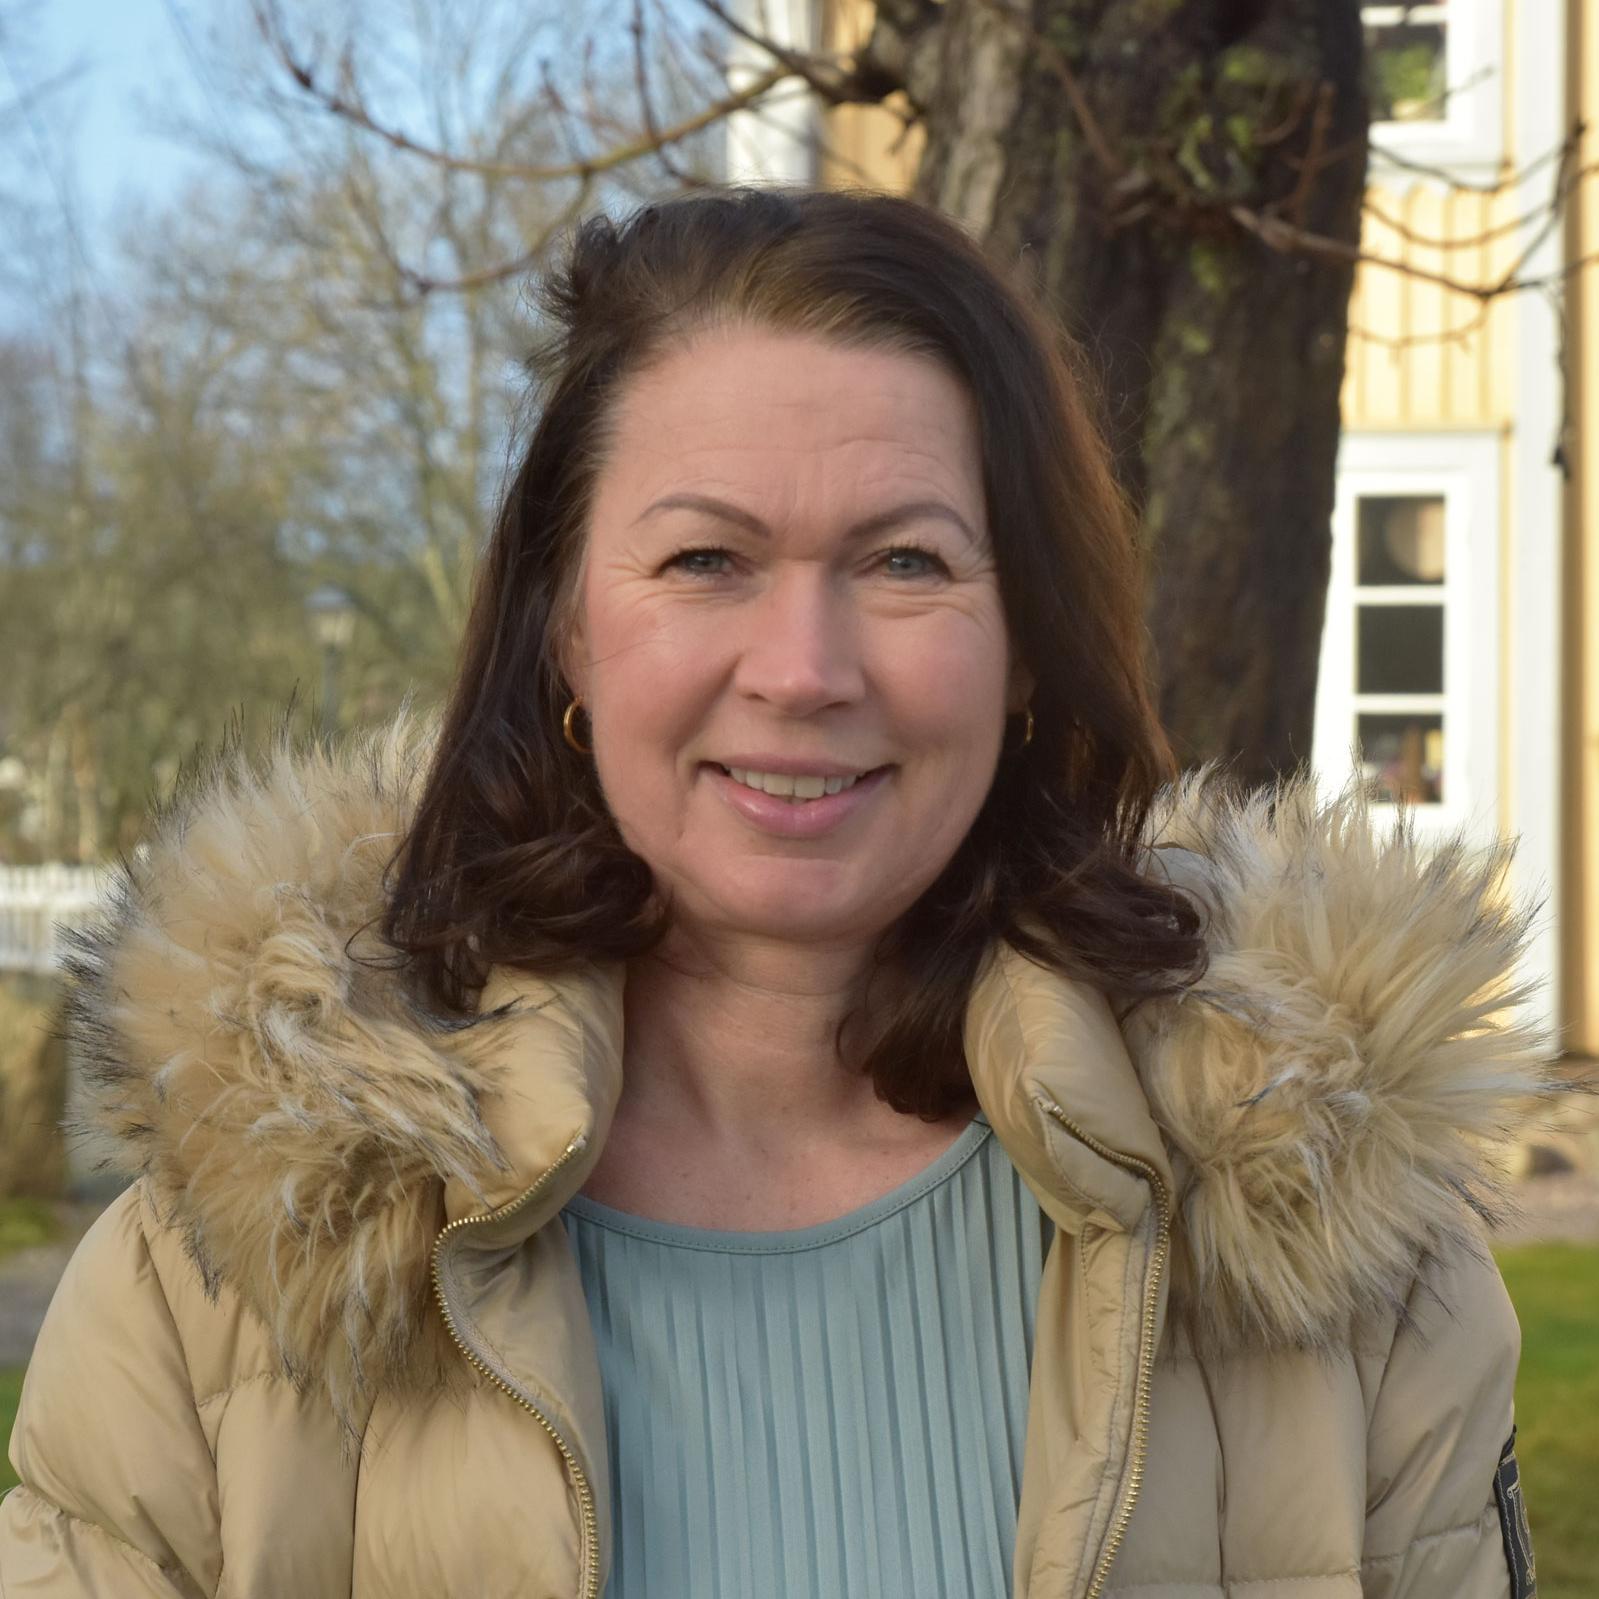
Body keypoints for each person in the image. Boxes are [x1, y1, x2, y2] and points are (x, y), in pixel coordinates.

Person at [0, 186, 1559, 1599]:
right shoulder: (218, 1278)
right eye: (704, 562)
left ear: (1026, 648)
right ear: (565, 635)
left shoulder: (1350, 1268)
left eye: (902, 562)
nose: (805, 671)